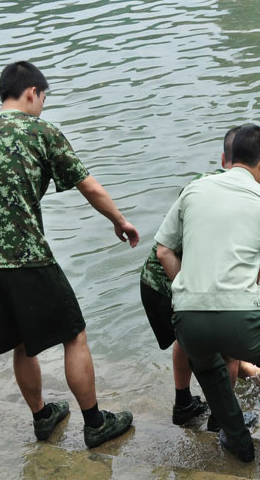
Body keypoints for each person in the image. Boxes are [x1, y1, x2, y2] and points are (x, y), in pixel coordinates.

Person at [154, 124, 260, 472]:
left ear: (230, 157)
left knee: (207, 365)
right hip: (239, 318)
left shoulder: (194, 189)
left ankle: (237, 439)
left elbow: (163, 250)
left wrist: (188, 289)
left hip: (187, 318)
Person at [0, 61, 138, 447]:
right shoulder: (41, 131)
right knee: (74, 334)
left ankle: (43, 417)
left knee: (21, 342)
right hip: (26, 255)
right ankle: (95, 423)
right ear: (32, 93)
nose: (42, 105)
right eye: (43, 98)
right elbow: (89, 186)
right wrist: (120, 221)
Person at [140, 126, 256, 430]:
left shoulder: (197, 185)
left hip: (153, 282)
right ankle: (222, 418)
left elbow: (170, 248)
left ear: (223, 157)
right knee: (228, 350)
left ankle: (183, 403)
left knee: (185, 334)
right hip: (180, 282)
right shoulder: (248, 199)